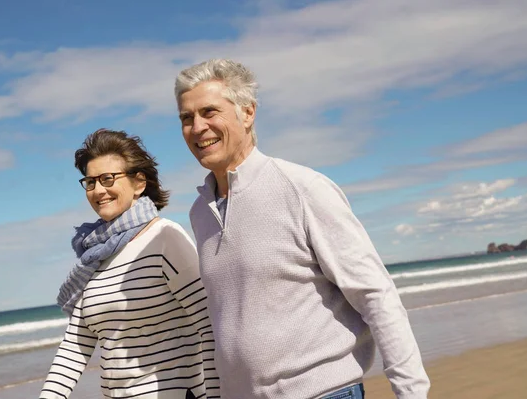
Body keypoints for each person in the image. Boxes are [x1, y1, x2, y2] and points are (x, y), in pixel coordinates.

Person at [174, 59, 430, 399]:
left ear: (247, 113)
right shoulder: (199, 213)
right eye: (186, 118)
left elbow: (376, 295)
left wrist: (411, 393)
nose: (198, 127)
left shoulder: (302, 188)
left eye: (210, 111)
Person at [39, 129, 219, 399]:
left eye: (108, 179)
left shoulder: (164, 237)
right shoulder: (94, 256)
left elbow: (209, 327)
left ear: (139, 183)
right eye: (90, 182)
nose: (98, 190)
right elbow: (74, 348)